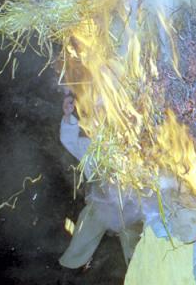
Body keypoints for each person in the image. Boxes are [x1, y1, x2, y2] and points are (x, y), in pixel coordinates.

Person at [59, 94, 143, 269]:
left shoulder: (132, 145)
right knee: (85, 229)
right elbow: (69, 140)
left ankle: (138, 271)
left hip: (130, 207)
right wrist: (67, 115)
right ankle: (70, 267)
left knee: (135, 246)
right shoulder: (89, 146)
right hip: (100, 206)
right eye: (97, 114)